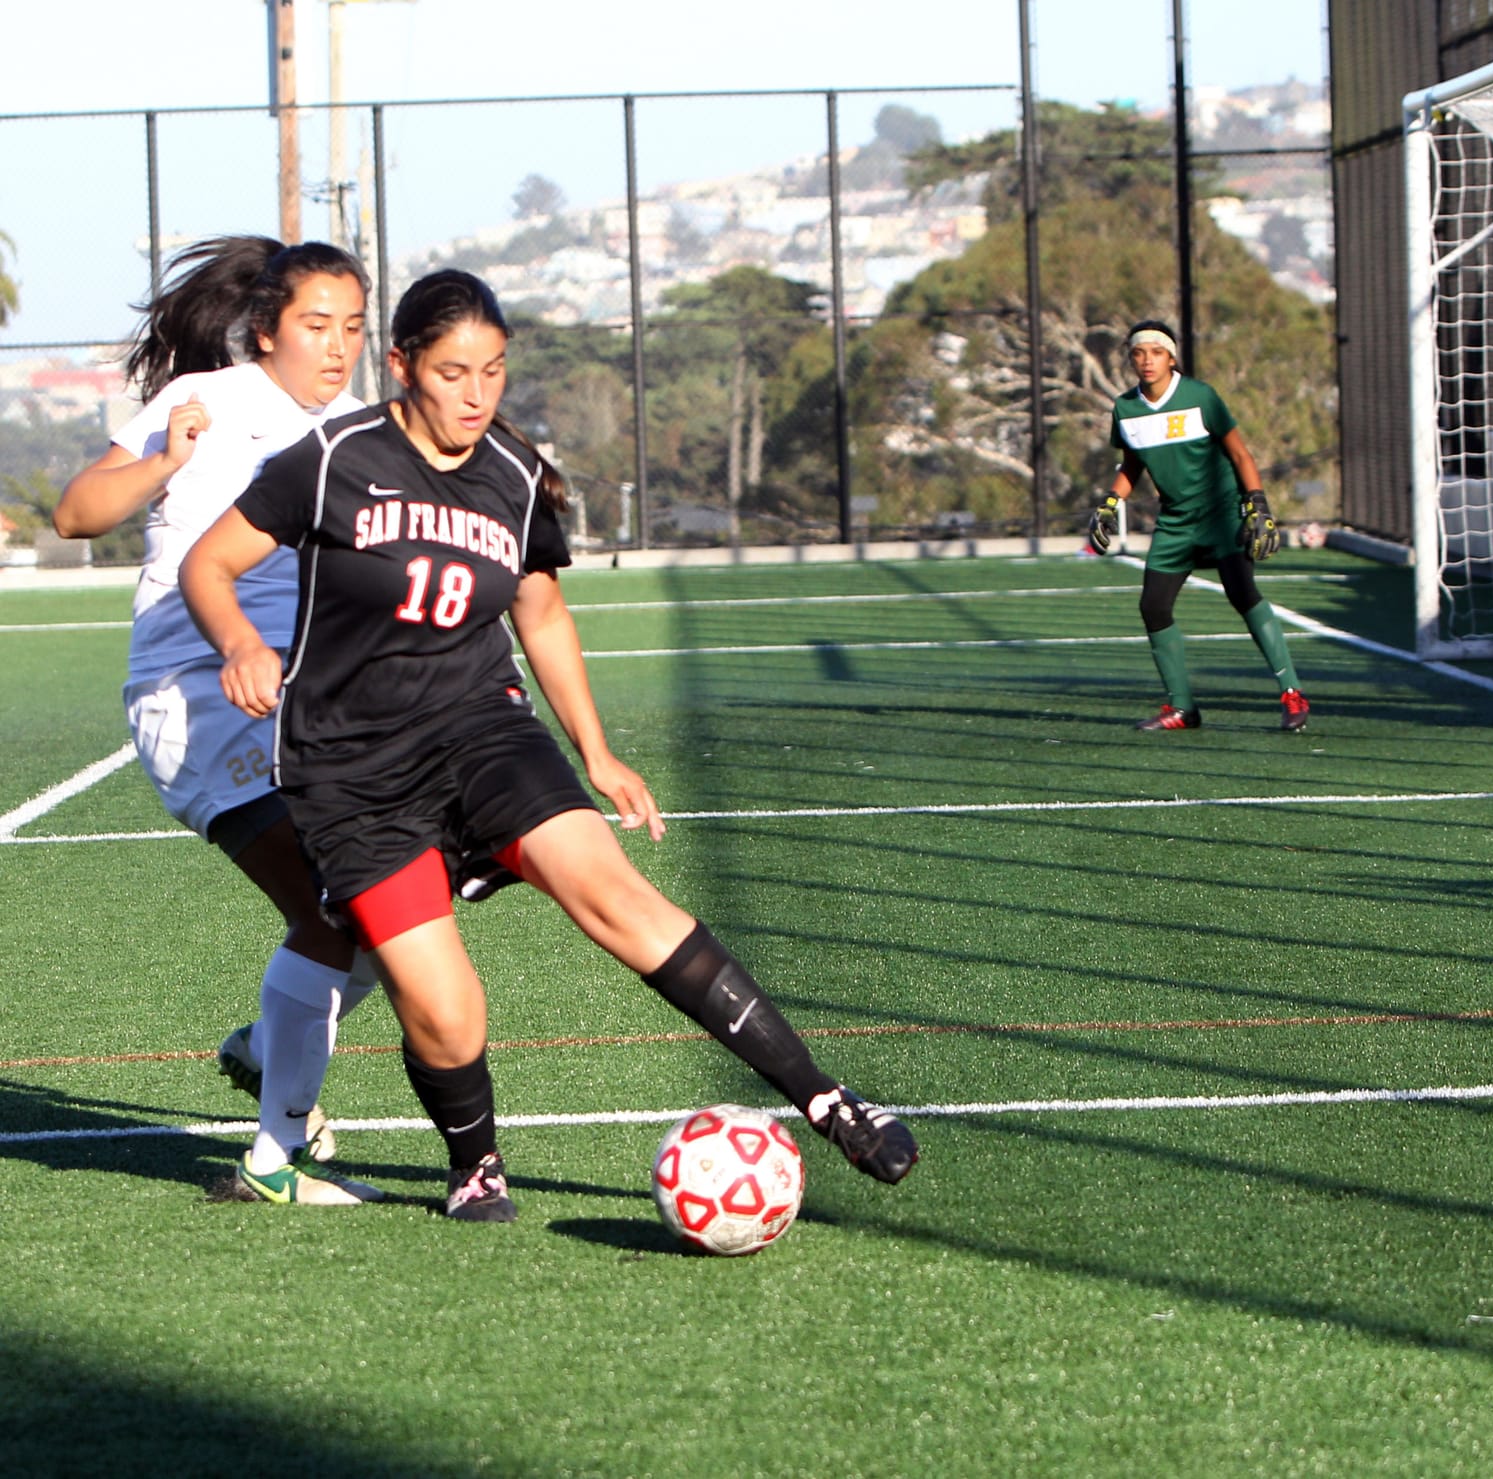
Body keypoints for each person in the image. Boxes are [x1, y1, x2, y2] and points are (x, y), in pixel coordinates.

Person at [179, 269, 919, 1223]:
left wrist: (597, 752)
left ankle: (826, 1099)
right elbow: (210, 562)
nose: (477, 394)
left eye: (493, 371)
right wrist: (241, 641)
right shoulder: (332, 460)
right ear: (402, 366)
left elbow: (542, 611)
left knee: (616, 893)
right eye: (453, 372)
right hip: (354, 770)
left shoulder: (514, 476)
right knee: (447, 1008)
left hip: (483, 732)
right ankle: (476, 1166)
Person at [55, 236, 383, 1207]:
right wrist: (165, 462)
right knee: (329, 916)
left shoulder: (360, 434)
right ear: (265, 331)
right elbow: (77, 513)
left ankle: (265, 1050)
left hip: (303, 704)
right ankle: (275, 1163)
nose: (336, 348)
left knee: (388, 914)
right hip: (196, 699)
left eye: (353, 329)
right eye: (316, 326)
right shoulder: (209, 401)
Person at [1088, 320, 1309, 733]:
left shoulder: (1200, 396)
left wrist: (1257, 502)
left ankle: (1292, 694)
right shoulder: (1126, 408)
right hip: (1175, 521)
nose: (1147, 360)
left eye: (1156, 352)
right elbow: (1134, 463)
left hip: (1222, 512)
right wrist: (1109, 501)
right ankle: (1182, 708)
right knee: (1153, 607)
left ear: (1171, 358)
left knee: (1243, 594)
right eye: (1139, 352)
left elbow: (1240, 454)